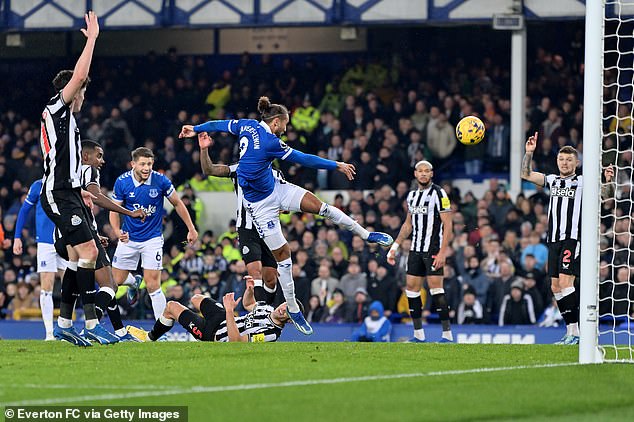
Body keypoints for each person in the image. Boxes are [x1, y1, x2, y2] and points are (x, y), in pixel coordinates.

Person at [179, 96, 393, 335]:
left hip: (277, 188)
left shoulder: (245, 125)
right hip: (260, 208)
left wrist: (195, 128)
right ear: (277, 122)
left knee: (321, 207)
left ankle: (367, 234)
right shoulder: (271, 142)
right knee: (284, 256)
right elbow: (304, 159)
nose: (286, 129)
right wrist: (337, 165)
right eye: (286, 125)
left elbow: (219, 124)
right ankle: (292, 307)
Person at [38, 11, 112, 344]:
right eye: (81, 91)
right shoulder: (57, 107)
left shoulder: (68, 120)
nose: (83, 96)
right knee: (88, 253)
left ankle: (66, 322)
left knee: (79, 257)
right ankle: (92, 323)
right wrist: (92, 39)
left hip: (69, 191)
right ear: (70, 91)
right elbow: (80, 75)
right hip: (58, 192)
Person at [521, 131, 614, 344]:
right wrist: (528, 153)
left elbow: (606, 197)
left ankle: (578, 333)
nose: (564, 163)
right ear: (557, 161)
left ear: (577, 162)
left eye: (569, 160)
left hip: (573, 239)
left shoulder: (583, 182)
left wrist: (607, 181)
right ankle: (571, 332)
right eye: (561, 159)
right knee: (555, 287)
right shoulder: (552, 181)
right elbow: (526, 174)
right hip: (553, 239)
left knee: (565, 282)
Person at [54, 140, 146, 343]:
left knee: (78, 273)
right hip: (79, 232)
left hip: (64, 232)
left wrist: (94, 233)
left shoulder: (69, 172)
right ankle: (92, 325)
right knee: (110, 285)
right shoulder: (88, 170)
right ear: (86, 156)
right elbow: (95, 196)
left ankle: (67, 325)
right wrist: (129, 212)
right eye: (99, 156)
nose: (102, 161)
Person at [109, 147, 198, 322]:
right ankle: (134, 282)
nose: (146, 168)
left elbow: (178, 204)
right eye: (142, 164)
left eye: (149, 163)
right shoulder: (122, 182)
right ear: (133, 164)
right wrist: (116, 231)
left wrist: (191, 228)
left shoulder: (161, 181)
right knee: (116, 280)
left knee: (153, 285)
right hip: (129, 237)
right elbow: (114, 210)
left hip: (153, 239)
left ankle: (160, 330)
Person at [197, 132, 278, 304]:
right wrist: (204, 150)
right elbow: (209, 169)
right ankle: (261, 314)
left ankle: (268, 308)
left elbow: (283, 201)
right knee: (255, 271)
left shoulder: (276, 174)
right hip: (246, 228)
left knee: (270, 278)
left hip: (269, 228)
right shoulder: (238, 169)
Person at [387, 160, 454, 342]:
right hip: (415, 249)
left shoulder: (440, 193)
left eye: (427, 171)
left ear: (432, 174)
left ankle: (447, 334)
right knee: (411, 289)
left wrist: (442, 252)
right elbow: (408, 225)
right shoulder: (411, 196)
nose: (423, 174)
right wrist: (395, 247)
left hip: (433, 249)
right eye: (420, 171)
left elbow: (448, 225)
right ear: (415, 174)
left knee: (436, 288)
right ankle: (418, 334)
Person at [127, 277, 292, 342]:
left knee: (171, 307)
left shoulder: (271, 334)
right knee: (196, 298)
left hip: (212, 333)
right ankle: (195, 319)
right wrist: (249, 291)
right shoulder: (266, 308)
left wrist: (229, 310)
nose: (283, 310)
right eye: (286, 306)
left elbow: (236, 343)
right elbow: (249, 305)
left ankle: (149, 338)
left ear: (290, 320)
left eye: (288, 312)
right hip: (222, 318)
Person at [13, 178, 67, 340]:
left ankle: (65, 329)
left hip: (66, 240)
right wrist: (17, 237)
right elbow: (24, 210)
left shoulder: (69, 182)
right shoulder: (38, 185)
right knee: (46, 286)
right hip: (45, 241)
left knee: (71, 285)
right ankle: (49, 332)